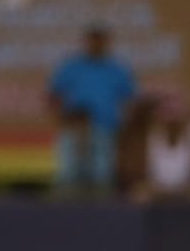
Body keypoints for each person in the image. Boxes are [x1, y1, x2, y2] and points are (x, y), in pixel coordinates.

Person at [46, 23, 138, 192]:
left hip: (105, 129)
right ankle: (65, 207)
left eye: (100, 39)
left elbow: (129, 100)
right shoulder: (71, 66)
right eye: (92, 39)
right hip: (74, 129)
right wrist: (60, 121)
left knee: (102, 174)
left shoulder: (117, 69)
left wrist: (125, 126)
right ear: (86, 41)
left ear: (106, 42)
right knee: (68, 175)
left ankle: (101, 208)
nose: (96, 44)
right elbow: (54, 96)